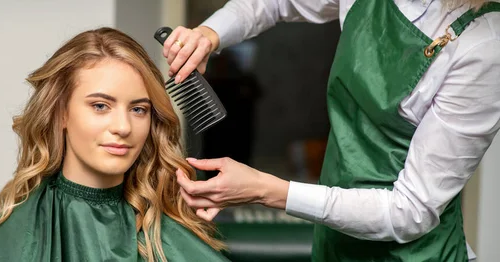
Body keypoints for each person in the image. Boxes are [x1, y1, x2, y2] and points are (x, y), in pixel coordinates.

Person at [164, 0, 500, 261]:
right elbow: (277, 3)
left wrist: (267, 190)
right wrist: (209, 34)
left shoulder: (484, 45)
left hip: (414, 255)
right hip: (334, 242)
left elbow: (409, 211)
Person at [0, 27, 229, 262]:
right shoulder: (10, 236)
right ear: (61, 114)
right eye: (100, 106)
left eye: (139, 109)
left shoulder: (167, 238)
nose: (123, 128)